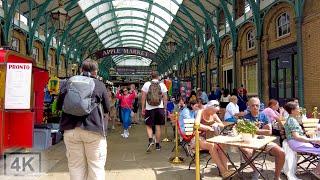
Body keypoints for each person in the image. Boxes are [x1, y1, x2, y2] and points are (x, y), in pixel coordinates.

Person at [57, 59, 109, 180]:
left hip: (70, 130)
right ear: (95, 71)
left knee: (75, 166)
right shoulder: (99, 84)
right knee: (96, 167)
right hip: (93, 130)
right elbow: (106, 108)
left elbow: (59, 105)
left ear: (81, 70)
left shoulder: (69, 82)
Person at [242, 97, 285, 180]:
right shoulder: (246, 117)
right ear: (249, 106)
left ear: (260, 106)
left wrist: (255, 130)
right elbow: (246, 133)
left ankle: (277, 177)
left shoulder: (264, 116)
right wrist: (262, 130)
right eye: (253, 105)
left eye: (257, 105)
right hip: (251, 141)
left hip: (264, 141)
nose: (255, 107)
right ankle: (255, 170)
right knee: (246, 152)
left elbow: (269, 132)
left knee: (281, 152)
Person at [192, 100, 235, 178]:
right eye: (212, 111)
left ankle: (226, 171)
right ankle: (223, 171)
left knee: (222, 145)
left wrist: (217, 124)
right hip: (199, 138)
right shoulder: (201, 112)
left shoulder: (214, 115)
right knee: (212, 146)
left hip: (211, 138)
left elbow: (222, 125)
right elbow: (196, 124)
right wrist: (207, 127)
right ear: (208, 108)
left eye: (215, 112)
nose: (213, 113)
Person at [284, 101, 320, 176]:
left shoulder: (291, 119)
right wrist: (314, 140)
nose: (299, 110)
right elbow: (297, 137)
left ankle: (317, 170)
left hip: (296, 142)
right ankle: (317, 171)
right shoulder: (292, 121)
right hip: (296, 143)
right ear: (292, 111)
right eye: (298, 108)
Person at [141, 71, 168, 152]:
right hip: (159, 108)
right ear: (158, 76)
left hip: (149, 108)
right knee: (158, 126)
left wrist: (143, 108)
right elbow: (165, 97)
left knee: (149, 125)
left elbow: (143, 97)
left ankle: (150, 140)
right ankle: (157, 145)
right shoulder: (162, 84)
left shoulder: (146, 84)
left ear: (151, 76)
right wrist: (165, 108)